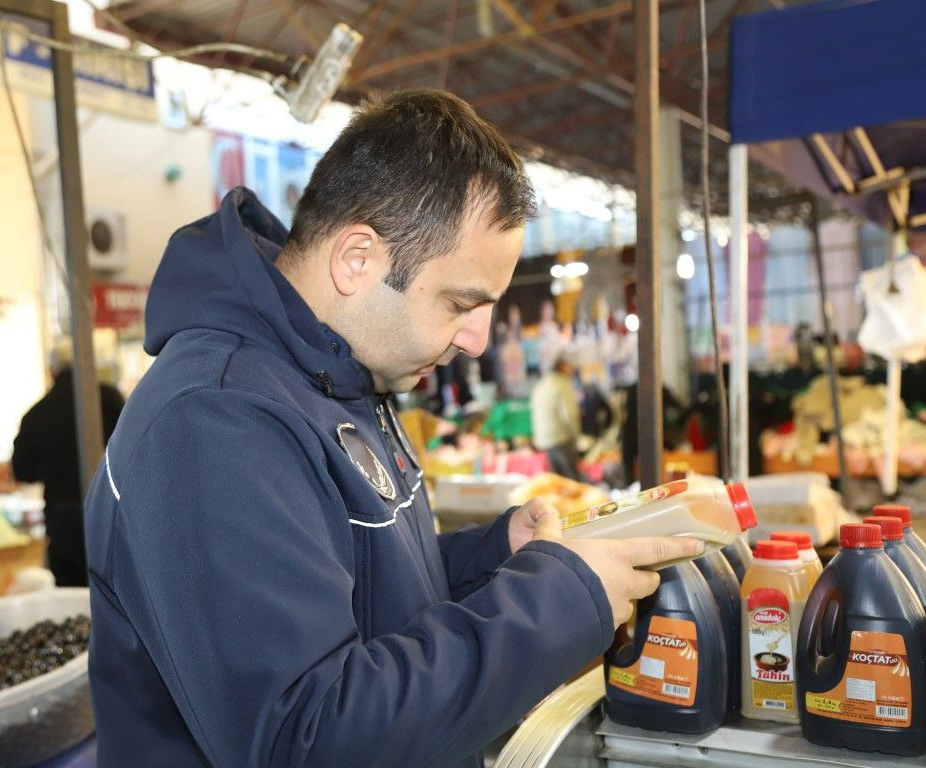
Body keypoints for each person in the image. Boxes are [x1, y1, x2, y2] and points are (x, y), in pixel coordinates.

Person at [84, 89, 702, 767]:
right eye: (461, 302)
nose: (477, 338)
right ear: (358, 260)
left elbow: (360, 593)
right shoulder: (215, 422)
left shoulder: (341, 374)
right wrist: (555, 604)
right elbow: (307, 737)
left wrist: (496, 556)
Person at [11, 341, 125, 587]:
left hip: (61, 517)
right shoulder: (108, 398)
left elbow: (22, 470)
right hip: (108, 510)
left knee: (73, 599)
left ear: (52, 370)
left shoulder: (36, 414)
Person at [530, 355, 585, 480]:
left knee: (557, 482)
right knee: (572, 482)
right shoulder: (562, 384)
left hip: (544, 441)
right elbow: (570, 415)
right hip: (561, 439)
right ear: (563, 367)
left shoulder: (541, 384)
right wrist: (578, 436)